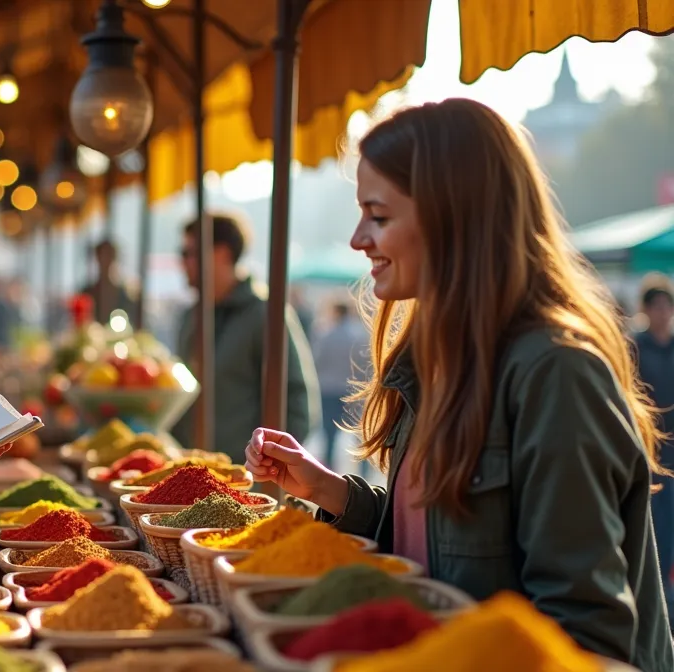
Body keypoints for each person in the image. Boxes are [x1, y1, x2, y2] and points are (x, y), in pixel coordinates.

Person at [245, 98, 674, 670]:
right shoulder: (434, 361)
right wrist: (330, 491)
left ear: (453, 219)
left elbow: (584, 635)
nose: (357, 239)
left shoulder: (555, 373)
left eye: (378, 216)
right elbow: (433, 548)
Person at [173, 213, 319, 456]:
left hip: (243, 473)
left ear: (221, 254)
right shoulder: (192, 316)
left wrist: (267, 465)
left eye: (188, 253)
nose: (183, 262)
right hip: (192, 467)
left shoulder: (266, 314)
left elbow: (296, 403)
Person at [634, 274, 674, 621]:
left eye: (667, 306)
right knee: (654, 530)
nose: (663, 312)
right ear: (646, 310)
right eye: (656, 306)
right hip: (649, 454)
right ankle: (657, 605)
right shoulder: (635, 347)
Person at [311, 298, 370, 471]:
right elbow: (366, 365)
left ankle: (329, 470)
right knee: (360, 434)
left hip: (329, 389)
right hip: (353, 390)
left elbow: (317, 361)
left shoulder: (326, 334)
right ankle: (363, 471)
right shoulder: (359, 336)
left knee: (329, 434)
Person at [79, 239, 136, 324]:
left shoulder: (122, 294)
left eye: (108, 255)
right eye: (102, 255)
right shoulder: (87, 293)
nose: (105, 260)